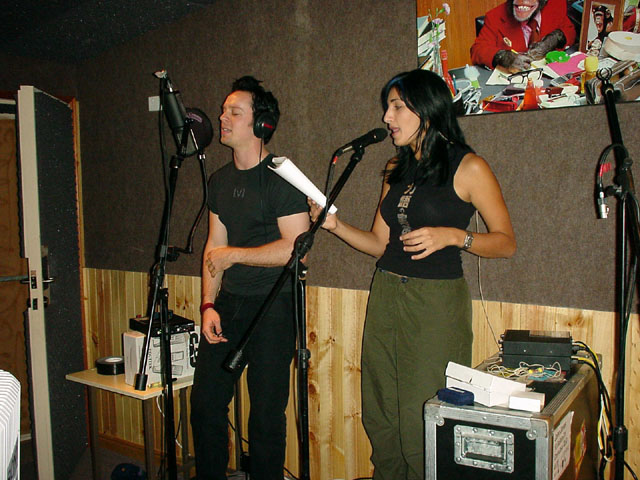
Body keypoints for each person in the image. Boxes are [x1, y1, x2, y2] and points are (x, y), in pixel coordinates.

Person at [309, 69, 516, 479]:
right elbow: (379, 242)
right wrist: (335, 226)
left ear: (428, 109)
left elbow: (506, 242)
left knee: (422, 413)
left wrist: (455, 236)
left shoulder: (468, 167)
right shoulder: (395, 166)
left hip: (434, 302)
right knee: (381, 408)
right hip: (386, 291)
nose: (387, 117)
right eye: (388, 107)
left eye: (397, 107)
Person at [190, 76, 309, 480]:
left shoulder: (284, 178)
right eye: (224, 111)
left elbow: (296, 248)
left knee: (266, 415)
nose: (222, 118)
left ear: (261, 125)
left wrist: (235, 255)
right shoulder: (220, 181)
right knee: (205, 404)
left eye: (234, 112)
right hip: (229, 303)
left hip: (274, 306)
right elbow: (214, 247)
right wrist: (208, 304)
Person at [471, 0, 576, 72]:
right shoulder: (496, 16)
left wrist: (553, 40)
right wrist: (504, 57)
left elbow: (569, 30)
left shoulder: (556, 5)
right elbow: (477, 50)